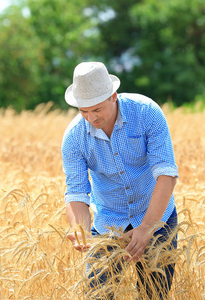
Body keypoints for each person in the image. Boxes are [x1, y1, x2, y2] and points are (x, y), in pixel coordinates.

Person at [61, 61, 179, 299]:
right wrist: (81, 230)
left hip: (156, 216)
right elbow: (76, 193)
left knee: (153, 295)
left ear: (113, 96)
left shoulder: (146, 112)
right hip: (109, 223)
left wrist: (146, 228)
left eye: (96, 110)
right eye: (83, 111)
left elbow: (166, 174)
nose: (91, 118)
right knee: (97, 295)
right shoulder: (74, 137)